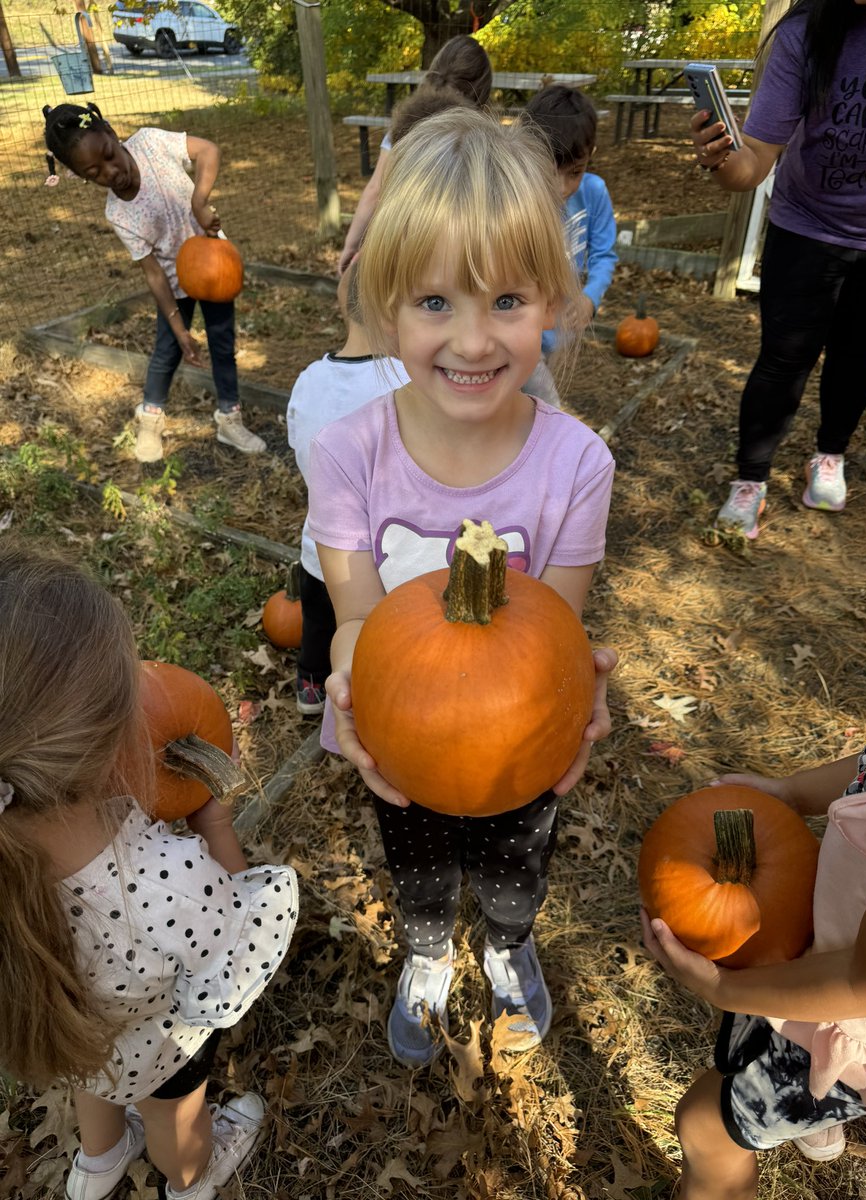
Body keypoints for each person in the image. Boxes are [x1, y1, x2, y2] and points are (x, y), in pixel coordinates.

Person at [307, 106, 618, 1069]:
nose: (473, 341)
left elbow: (554, 629)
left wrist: (578, 701)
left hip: (520, 739)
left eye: (509, 302)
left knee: (518, 864)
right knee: (421, 865)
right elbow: (355, 613)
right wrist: (354, 699)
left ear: (556, 304)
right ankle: (431, 950)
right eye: (436, 303)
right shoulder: (348, 453)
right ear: (388, 303)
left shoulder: (577, 463)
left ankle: (511, 941)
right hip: (394, 732)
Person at [0, 541, 299, 1200]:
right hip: (156, 1046)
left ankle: (99, 1161)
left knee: (93, 1081)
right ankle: (192, 1178)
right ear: (115, 747)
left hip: (75, 1040)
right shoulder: (168, 880)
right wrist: (214, 823)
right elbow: (236, 943)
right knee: (175, 1107)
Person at [642, 487, 866, 1198]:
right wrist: (789, 794)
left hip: (864, 1023)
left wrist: (724, 986)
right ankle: (814, 1121)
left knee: (703, 1123)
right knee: (751, 1035)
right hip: (824, 965)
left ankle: (818, 1099)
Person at [692, 0, 866, 539]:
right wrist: (723, 159)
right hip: (805, 228)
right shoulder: (807, 32)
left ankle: (828, 455)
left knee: (858, 354)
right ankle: (751, 480)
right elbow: (755, 157)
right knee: (783, 358)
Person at [42, 102, 266, 464]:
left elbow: (208, 150)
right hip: (175, 287)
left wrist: (199, 200)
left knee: (223, 346)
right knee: (168, 351)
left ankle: (229, 417)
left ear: (113, 134)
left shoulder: (151, 143)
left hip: (214, 268)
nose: (111, 172)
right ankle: (150, 417)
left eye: (110, 156)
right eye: (95, 172)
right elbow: (153, 273)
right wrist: (179, 327)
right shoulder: (118, 213)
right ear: (82, 178)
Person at [286, 262, 409, 715]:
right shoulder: (408, 383)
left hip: (320, 544)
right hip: (388, 553)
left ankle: (312, 685)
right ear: (396, 310)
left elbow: (298, 442)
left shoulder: (309, 379)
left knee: (318, 619)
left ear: (344, 305)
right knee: (375, 627)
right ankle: (376, 691)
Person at [337, 35, 493, 275]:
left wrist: (352, 243)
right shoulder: (484, 139)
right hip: (455, 259)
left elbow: (375, 189)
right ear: (482, 89)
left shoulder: (404, 124)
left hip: (397, 245)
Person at [522, 84, 618, 405]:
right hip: (523, 331)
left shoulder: (594, 192)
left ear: (590, 155)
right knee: (547, 407)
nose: (562, 187)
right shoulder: (518, 202)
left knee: (534, 407)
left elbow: (604, 254)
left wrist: (591, 297)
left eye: (574, 172)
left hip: (561, 329)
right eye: (551, 173)